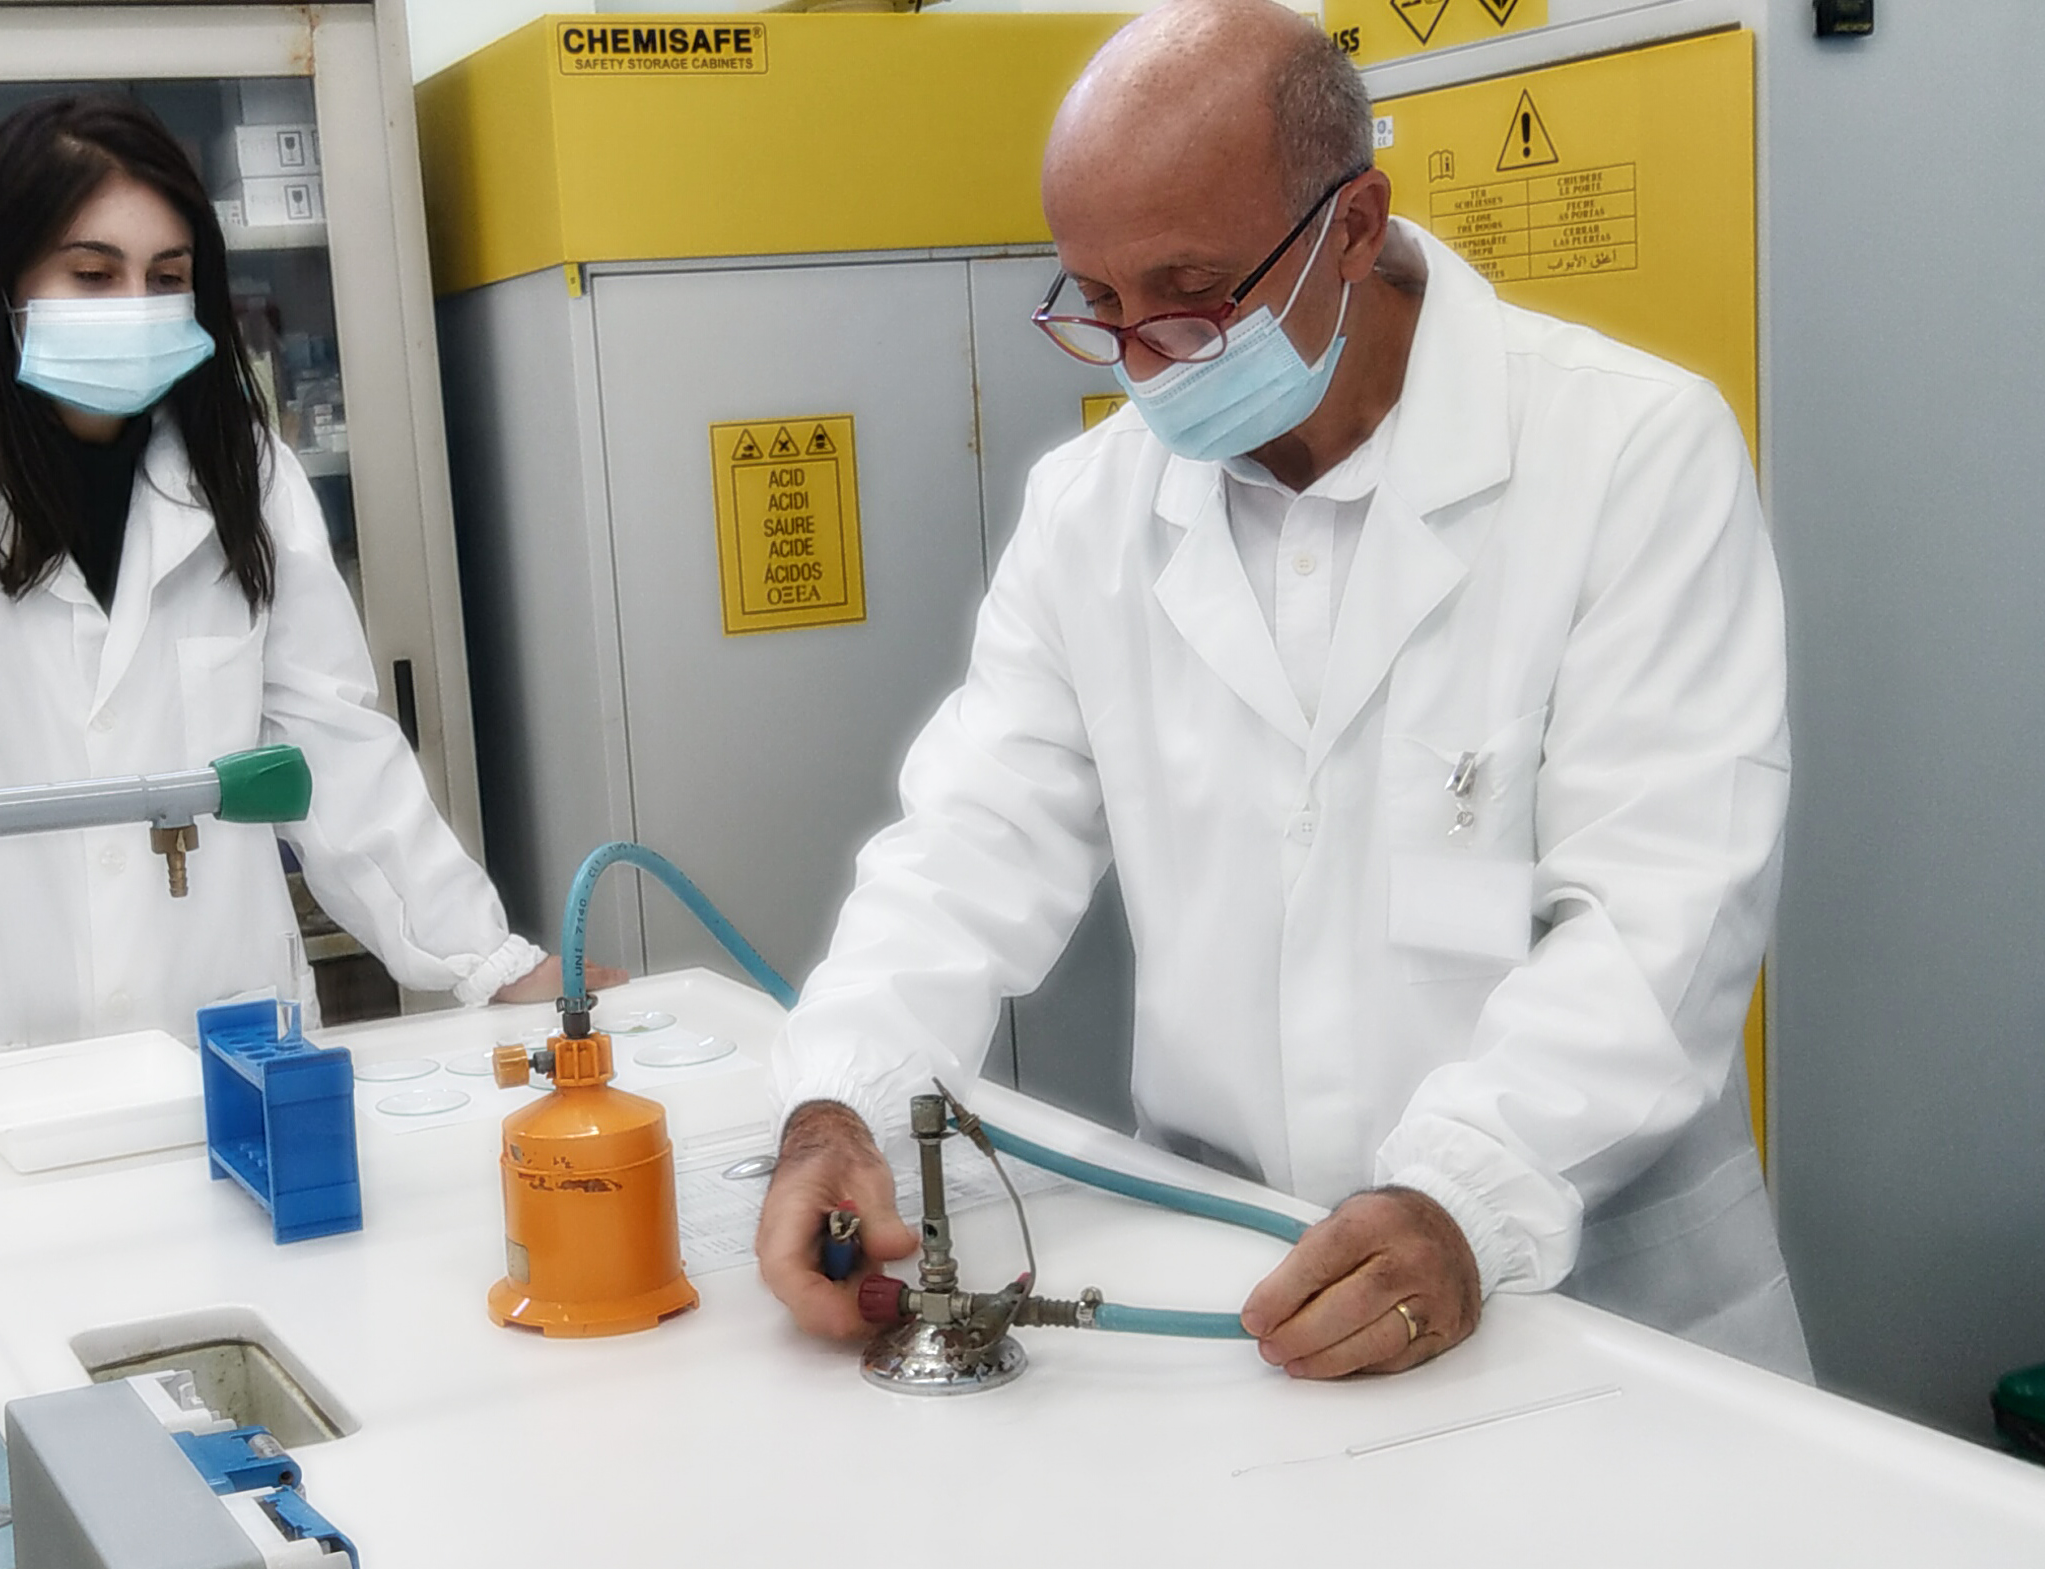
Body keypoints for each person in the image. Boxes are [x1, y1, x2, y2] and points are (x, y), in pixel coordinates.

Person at [754, 0, 1808, 1382]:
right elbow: (968, 845)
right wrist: (841, 1103)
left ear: (1354, 226)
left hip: (1587, 1290)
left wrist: (1462, 1196)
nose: (1142, 356)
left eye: (1189, 292)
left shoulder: (1627, 454)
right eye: (1098, 303)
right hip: (1243, 1274)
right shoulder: (1091, 511)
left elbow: (1664, 913)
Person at [0, 95, 608, 1226]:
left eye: (166, 277)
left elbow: (332, 743)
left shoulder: (238, 461)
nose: (134, 306)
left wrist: (489, 963)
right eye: (92, 272)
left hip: (225, 1055)